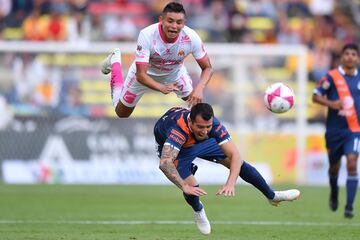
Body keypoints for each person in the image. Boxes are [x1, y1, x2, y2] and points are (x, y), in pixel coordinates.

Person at [154, 103, 301, 235]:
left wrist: (230, 183)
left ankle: (272, 196)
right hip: (181, 150)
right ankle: (198, 210)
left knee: (237, 163)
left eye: (208, 127)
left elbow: (235, 155)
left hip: (200, 143)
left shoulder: (213, 125)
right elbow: (165, 163)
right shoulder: (178, 130)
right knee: (192, 186)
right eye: (200, 127)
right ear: (191, 122)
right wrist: (184, 186)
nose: (205, 131)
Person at [101, 2, 213, 118]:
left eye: (179, 22)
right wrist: (161, 87)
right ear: (161, 20)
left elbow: (207, 68)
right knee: (122, 113)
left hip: (174, 75)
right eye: (170, 21)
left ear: (184, 23)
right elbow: (141, 75)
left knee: (197, 106)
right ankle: (115, 62)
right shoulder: (147, 35)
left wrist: (199, 88)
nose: (174, 26)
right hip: (144, 76)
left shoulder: (191, 37)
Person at [312, 43, 360, 219]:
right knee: (334, 168)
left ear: (357, 58)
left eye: (353, 54)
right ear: (342, 57)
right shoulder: (331, 77)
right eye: (346, 53)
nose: (350, 57)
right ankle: (334, 191)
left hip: (353, 131)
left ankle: (349, 206)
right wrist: (331, 104)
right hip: (333, 131)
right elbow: (315, 96)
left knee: (352, 162)